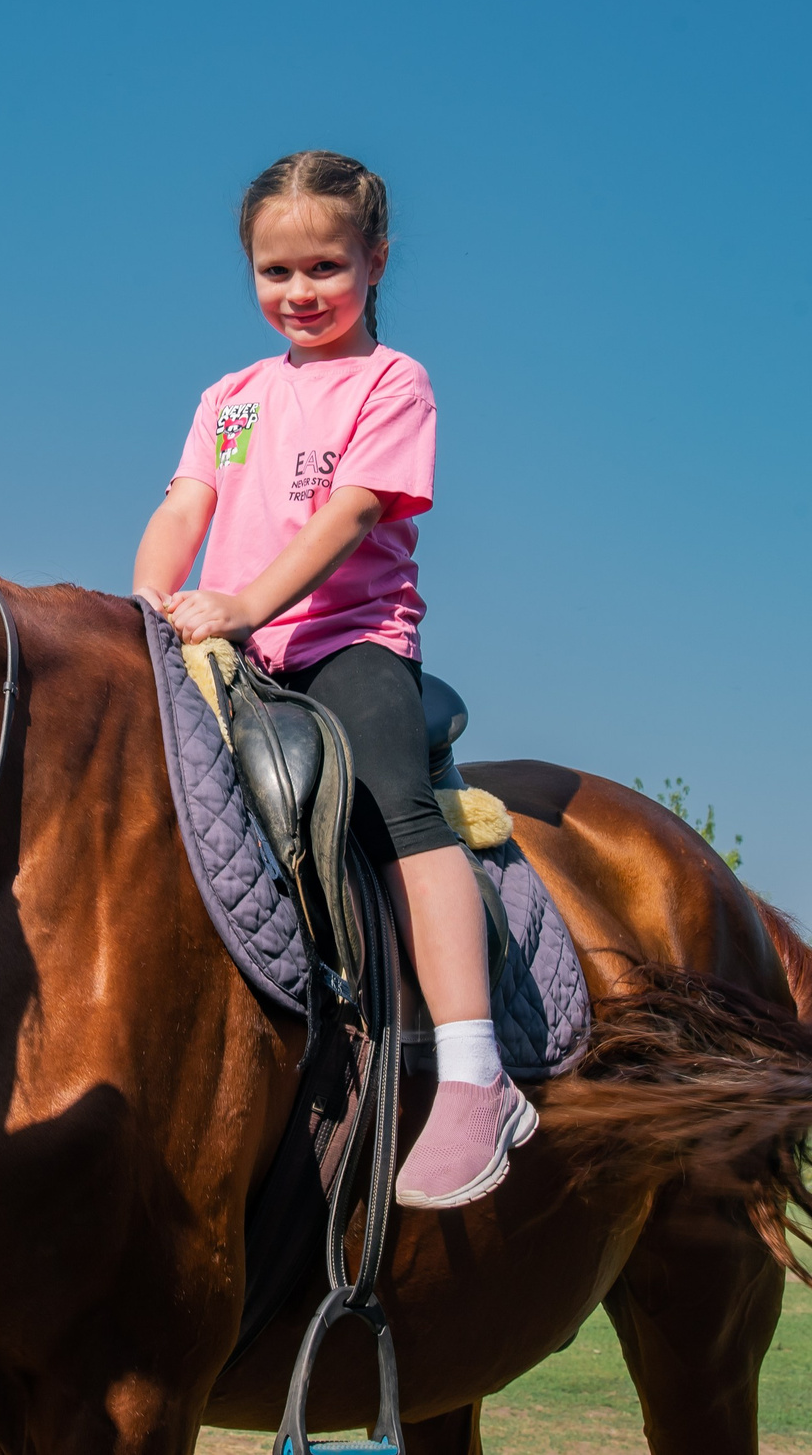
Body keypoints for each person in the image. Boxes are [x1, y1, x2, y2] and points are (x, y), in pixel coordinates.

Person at [131, 149, 536, 1210]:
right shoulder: (231, 399)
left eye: (324, 266)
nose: (299, 293)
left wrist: (247, 603)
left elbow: (351, 512)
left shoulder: (392, 382)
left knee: (392, 802)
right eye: (275, 272)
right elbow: (186, 505)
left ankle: (472, 1073)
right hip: (229, 646)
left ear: (376, 260)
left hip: (347, 638)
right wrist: (142, 602)